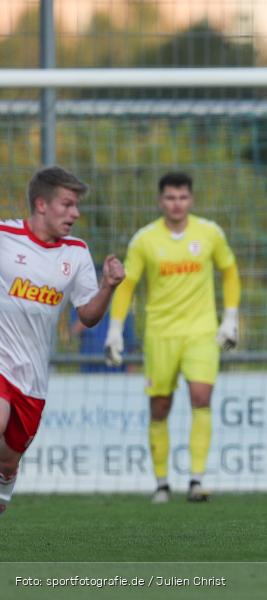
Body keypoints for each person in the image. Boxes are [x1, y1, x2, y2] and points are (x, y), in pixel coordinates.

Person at [104, 172, 240, 503]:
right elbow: (128, 285)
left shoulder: (209, 233)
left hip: (201, 331)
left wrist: (230, 318)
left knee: (201, 397)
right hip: (161, 334)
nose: (176, 203)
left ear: (190, 200)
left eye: (182, 197)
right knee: (160, 406)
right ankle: (162, 483)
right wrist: (115, 328)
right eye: (169, 197)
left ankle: (196, 480)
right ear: (159, 200)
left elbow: (230, 271)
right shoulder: (144, 240)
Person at [0, 166, 125, 515]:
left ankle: (5, 484)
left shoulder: (76, 252)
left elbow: (87, 315)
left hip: (33, 379)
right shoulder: (5, 236)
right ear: (42, 204)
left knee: (8, 463)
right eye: (68, 205)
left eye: (76, 206)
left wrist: (108, 287)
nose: (75, 214)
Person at [69, 294, 137, 374]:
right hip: (89, 371)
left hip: (117, 373)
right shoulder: (81, 305)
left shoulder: (122, 311)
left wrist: (131, 375)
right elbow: (74, 331)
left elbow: (131, 348)